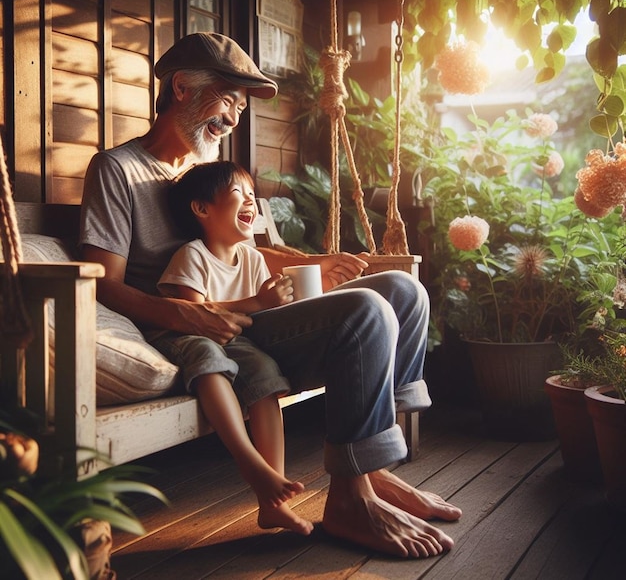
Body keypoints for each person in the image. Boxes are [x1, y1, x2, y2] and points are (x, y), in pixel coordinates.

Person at [79, 32, 462, 559]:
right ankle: (351, 499)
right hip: (212, 332)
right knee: (367, 310)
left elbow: (256, 253)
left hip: (254, 315)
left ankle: (373, 471)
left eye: (240, 106)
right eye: (228, 100)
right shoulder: (117, 170)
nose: (234, 117)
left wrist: (314, 264)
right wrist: (191, 315)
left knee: (402, 289)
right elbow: (105, 282)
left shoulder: (215, 172)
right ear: (182, 88)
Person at [153, 160, 311, 535]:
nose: (251, 203)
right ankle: (251, 465)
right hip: (186, 335)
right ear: (202, 208)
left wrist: (280, 301)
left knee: (265, 374)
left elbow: (263, 313)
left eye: (253, 196)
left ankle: (275, 499)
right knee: (209, 357)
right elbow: (193, 316)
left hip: (236, 339)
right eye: (239, 194)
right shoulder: (192, 255)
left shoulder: (253, 258)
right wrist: (257, 303)